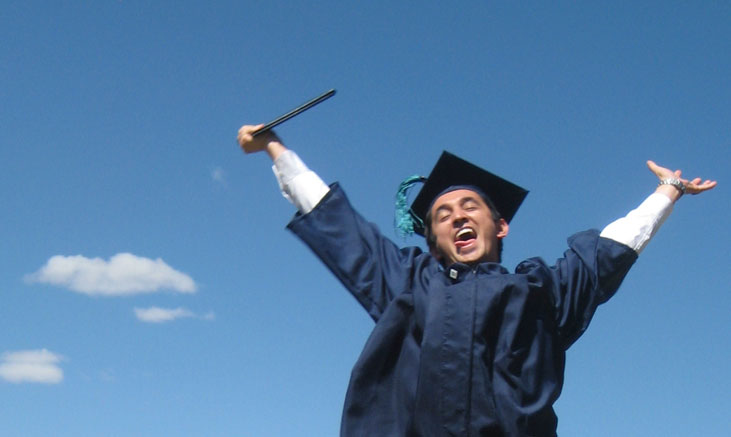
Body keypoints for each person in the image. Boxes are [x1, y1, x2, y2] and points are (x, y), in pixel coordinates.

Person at [237, 124, 716, 437]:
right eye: (442, 214)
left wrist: (667, 191)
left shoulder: (540, 292)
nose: (457, 217)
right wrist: (276, 148)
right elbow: (339, 225)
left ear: (500, 225)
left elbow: (608, 252)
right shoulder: (408, 282)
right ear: (433, 240)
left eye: (470, 207)